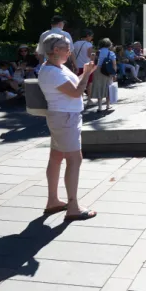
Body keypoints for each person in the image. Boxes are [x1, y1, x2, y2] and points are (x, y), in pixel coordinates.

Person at [37, 33, 98, 222]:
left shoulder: (55, 68)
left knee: (56, 157)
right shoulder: (53, 71)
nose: (69, 51)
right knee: (74, 159)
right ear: (56, 50)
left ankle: (53, 201)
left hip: (62, 117)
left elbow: (71, 86)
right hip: (65, 118)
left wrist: (84, 73)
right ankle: (73, 207)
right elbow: (76, 92)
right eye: (67, 48)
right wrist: (87, 73)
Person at [91, 38, 116, 112]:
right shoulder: (111, 53)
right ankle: (108, 105)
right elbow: (114, 64)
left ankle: (99, 107)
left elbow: (92, 61)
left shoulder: (97, 52)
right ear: (109, 45)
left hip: (97, 70)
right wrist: (114, 73)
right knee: (108, 87)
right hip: (107, 70)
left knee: (99, 87)